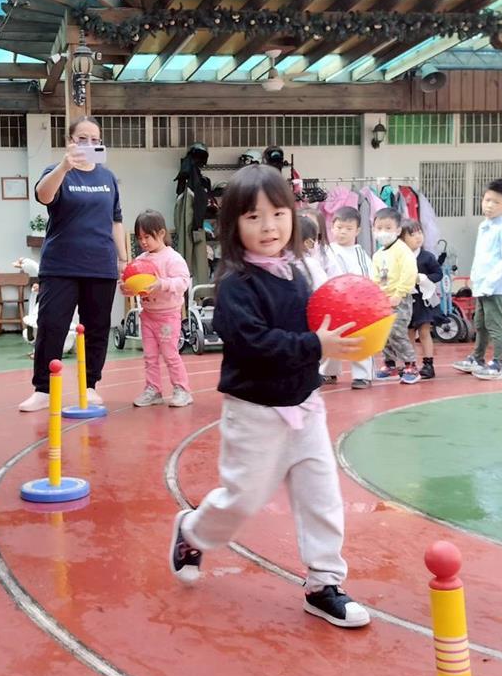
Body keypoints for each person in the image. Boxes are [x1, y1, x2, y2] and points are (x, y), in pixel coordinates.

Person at [167, 164, 370, 629]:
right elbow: (254, 343)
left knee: (322, 497)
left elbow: (323, 315)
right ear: (233, 225)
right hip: (255, 413)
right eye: (253, 217)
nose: (269, 226)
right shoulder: (235, 284)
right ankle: (192, 531)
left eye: (278, 214)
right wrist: (316, 345)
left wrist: (357, 318)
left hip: (305, 407)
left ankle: (323, 584)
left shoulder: (300, 270)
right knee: (241, 499)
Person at [19, 117, 126, 412]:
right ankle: (43, 390)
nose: (89, 144)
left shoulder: (108, 178)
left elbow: (116, 221)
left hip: (100, 266)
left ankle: (89, 386)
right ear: (70, 141)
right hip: (60, 266)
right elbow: (43, 195)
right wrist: (64, 167)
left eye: (95, 139)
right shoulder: (56, 172)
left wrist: (123, 260)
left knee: (97, 328)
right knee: (51, 326)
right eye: (82, 138)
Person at [124, 209, 194, 407]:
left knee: (170, 354)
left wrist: (161, 284)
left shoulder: (173, 258)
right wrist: (127, 288)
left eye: (147, 236)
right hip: (147, 316)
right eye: (140, 238)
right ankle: (153, 389)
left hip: (168, 316)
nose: (143, 242)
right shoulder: (140, 260)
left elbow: (183, 282)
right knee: (150, 356)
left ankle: (182, 390)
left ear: (161, 233)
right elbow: (133, 284)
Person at [452, 178, 502, 382]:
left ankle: (500, 363)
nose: (489, 205)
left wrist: (490, 283)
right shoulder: (484, 226)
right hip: (482, 286)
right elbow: (481, 256)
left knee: (494, 324)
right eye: (487, 200)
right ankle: (477, 358)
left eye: (496, 202)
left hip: (495, 287)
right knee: (480, 323)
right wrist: (475, 280)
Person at [321, 205, 374, 389]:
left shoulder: (360, 253)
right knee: (331, 337)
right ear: (332, 227)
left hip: (356, 304)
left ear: (357, 231)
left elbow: (367, 278)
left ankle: (363, 375)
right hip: (332, 303)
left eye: (348, 228)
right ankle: (328, 372)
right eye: (339, 227)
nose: (342, 232)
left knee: (359, 338)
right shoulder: (327, 251)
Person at [371, 207, 420, 385]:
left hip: (400, 299)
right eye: (379, 228)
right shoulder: (378, 255)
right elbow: (376, 277)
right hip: (383, 300)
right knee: (384, 333)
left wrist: (399, 293)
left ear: (398, 230)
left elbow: (409, 273)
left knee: (397, 332)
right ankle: (390, 364)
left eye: (388, 228)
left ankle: (411, 365)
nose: (383, 232)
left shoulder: (402, 250)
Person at [401, 219, 443, 380]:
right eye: (412, 234)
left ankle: (428, 364)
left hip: (424, 300)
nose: (418, 237)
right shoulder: (400, 257)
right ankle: (410, 364)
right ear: (402, 239)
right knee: (409, 333)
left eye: (419, 232)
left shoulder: (427, 257)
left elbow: (438, 274)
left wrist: (425, 278)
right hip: (406, 300)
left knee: (425, 331)